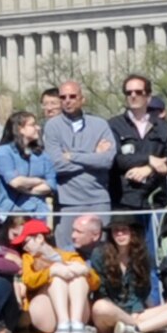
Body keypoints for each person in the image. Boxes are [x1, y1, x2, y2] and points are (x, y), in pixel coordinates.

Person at [88, 216, 167, 333]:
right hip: (111, 313)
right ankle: (148, 326)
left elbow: (142, 290)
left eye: (124, 230)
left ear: (132, 232)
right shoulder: (99, 254)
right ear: (111, 234)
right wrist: (127, 314)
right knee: (100, 307)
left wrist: (135, 311)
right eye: (115, 230)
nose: (120, 234)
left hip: (137, 313)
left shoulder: (143, 255)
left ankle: (137, 329)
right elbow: (101, 292)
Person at [46, 81, 114, 246]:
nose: (67, 100)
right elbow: (56, 165)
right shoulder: (52, 126)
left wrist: (73, 156)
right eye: (63, 97)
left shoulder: (100, 124)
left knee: (102, 253)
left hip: (98, 200)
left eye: (72, 96)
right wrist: (93, 156)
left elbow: (107, 160)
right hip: (67, 203)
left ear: (82, 99)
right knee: (66, 254)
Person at [107, 74, 167, 221]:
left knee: (154, 244)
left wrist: (149, 169)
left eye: (139, 92)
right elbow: (116, 159)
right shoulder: (113, 125)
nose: (133, 95)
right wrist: (149, 159)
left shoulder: (163, 127)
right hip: (124, 201)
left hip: (156, 201)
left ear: (149, 97)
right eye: (129, 92)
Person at [13, 218, 94, 333]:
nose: (24, 247)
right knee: (57, 278)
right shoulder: (28, 259)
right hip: (46, 313)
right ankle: (63, 323)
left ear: (40, 238)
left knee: (79, 277)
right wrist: (51, 272)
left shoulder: (70, 256)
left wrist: (86, 271)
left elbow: (96, 283)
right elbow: (28, 280)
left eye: (26, 242)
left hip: (78, 312)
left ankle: (76, 323)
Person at [0, 110, 59, 223]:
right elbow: (15, 182)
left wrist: (28, 190)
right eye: (32, 125)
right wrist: (39, 180)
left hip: (39, 213)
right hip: (13, 213)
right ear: (20, 129)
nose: (38, 128)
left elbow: (51, 184)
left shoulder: (42, 154)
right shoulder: (4, 152)